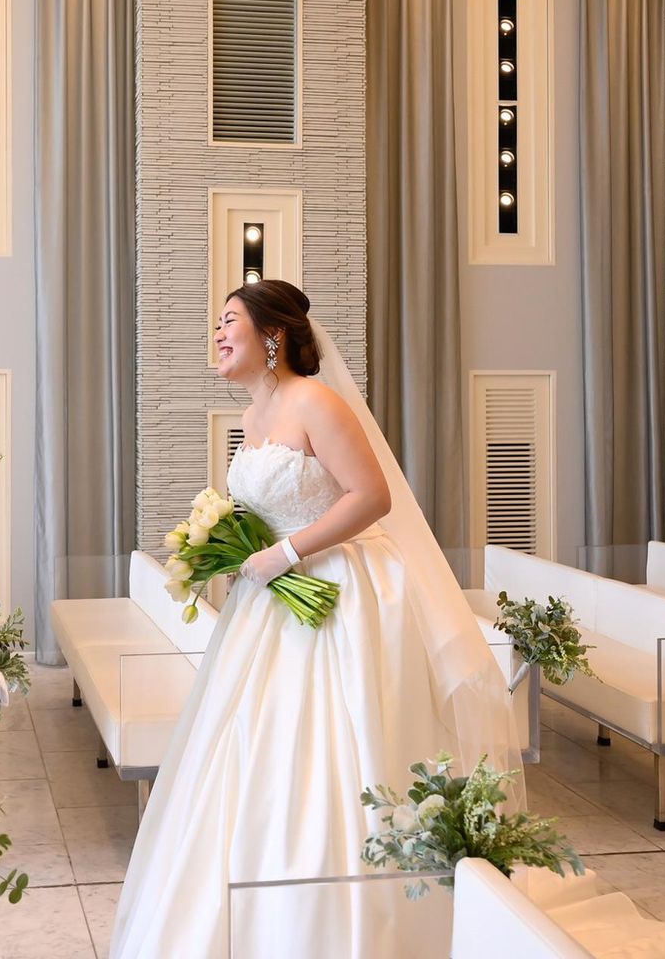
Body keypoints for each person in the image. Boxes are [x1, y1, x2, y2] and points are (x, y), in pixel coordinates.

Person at [110, 280, 521, 958]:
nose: (217, 335)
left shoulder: (315, 401)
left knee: (339, 744)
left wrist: (288, 551)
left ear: (273, 335)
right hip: (272, 601)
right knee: (256, 743)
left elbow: (373, 495)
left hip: (339, 591)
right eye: (217, 324)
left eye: (229, 321)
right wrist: (235, 548)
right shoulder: (252, 418)